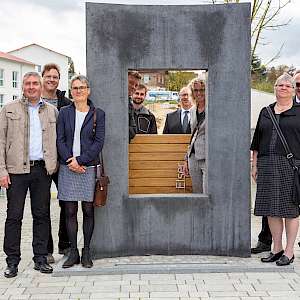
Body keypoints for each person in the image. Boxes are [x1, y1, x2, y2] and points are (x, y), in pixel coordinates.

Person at [0, 72, 58, 278]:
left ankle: (40, 259)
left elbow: (57, 141)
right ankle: (12, 262)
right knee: (14, 217)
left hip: (42, 171)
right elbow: (0, 142)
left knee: (41, 215)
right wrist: (2, 171)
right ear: (23, 87)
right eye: (28, 83)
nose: (32, 87)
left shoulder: (52, 111)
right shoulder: (8, 110)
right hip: (16, 171)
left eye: (35, 83)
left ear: (41, 86)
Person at [251, 73, 300, 266]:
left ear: (294, 90)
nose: (284, 88)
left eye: (288, 86)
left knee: (290, 209)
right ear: (275, 88)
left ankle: (289, 251)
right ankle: (276, 248)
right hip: (267, 164)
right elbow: (256, 142)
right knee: (271, 210)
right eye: (280, 85)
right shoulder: (265, 111)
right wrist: (254, 165)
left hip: (292, 166)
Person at [57, 75, 105, 268]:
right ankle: (73, 253)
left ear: (88, 90)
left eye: (82, 87)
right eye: (75, 88)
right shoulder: (64, 112)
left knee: (87, 210)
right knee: (69, 210)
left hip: (88, 166)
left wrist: (80, 160)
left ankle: (86, 252)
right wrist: (71, 161)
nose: (78, 91)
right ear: (71, 91)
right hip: (67, 167)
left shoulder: (98, 114)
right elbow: (59, 139)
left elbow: (99, 142)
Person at [41, 63, 72, 263]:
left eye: (56, 77)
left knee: (66, 203)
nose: (52, 79)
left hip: (61, 162)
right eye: (49, 76)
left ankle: (66, 245)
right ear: (43, 77)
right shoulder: (33, 102)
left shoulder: (65, 102)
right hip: (41, 162)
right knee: (42, 206)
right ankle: (45, 250)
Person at [183, 78, 206, 193]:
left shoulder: (213, 109)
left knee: (208, 193)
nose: (199, 93)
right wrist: (186, 158)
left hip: (208, 157)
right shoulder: (192, 110)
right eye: (196, 90)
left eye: (202, 90)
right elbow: (193, 135)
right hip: (193, 156)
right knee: (197, 194)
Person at [128, 71, 141, 141]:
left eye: (136, 85)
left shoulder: (129, 104)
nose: (133, 87)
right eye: (130, 83)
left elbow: (133, 130)